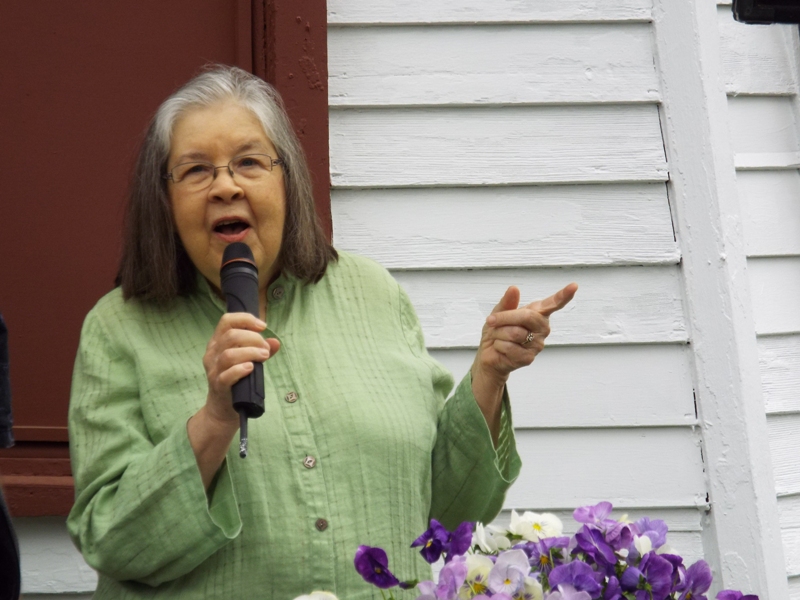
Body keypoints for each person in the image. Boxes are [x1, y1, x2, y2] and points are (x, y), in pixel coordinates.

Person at [67, 65, 577, 598]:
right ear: (164, 200)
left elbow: (448, 514)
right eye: (196, 170)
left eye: (249, 162)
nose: (225, 186)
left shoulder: (373, 292)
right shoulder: (118, 329)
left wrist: (489, 375)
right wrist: (215, 419)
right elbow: (113, 540)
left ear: (286, 179)